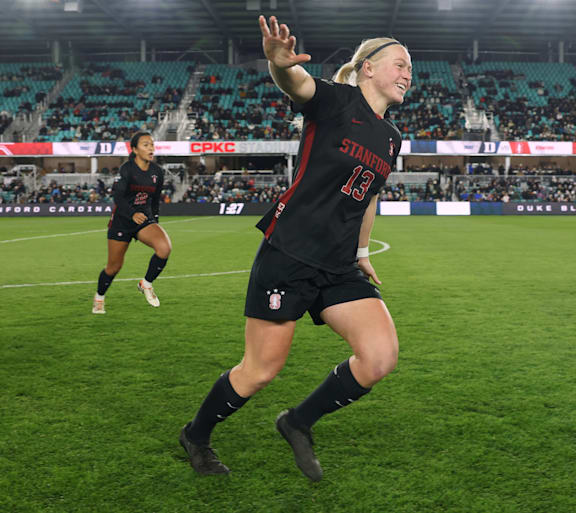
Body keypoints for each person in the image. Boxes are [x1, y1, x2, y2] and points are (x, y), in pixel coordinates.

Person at [179, 15, 410, 481]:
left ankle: (297, 422)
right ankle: (196, 435)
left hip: (338, 265)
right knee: (260, 370)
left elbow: (368, 196)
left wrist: (362, 251)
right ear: (367, 68)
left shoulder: (391, 138)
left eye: (411, 68)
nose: (408, 74)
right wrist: (279, 63)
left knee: (380, 357)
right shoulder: (336, 101)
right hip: (290, 253)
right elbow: (297, 84)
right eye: (400, 64)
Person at [92, 132, 171, 314]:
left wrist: (154, 221)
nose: (151, 148)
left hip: (143, 219)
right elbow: (118, 197)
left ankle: (146, 284)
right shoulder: (126, 169)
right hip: (122, 220)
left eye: (152, 144)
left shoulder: (157, 172)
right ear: (135, 149)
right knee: (114, 267)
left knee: (164, 248)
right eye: (145, 145)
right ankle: (99, 297)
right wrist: (132, 213)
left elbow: (155, 200)